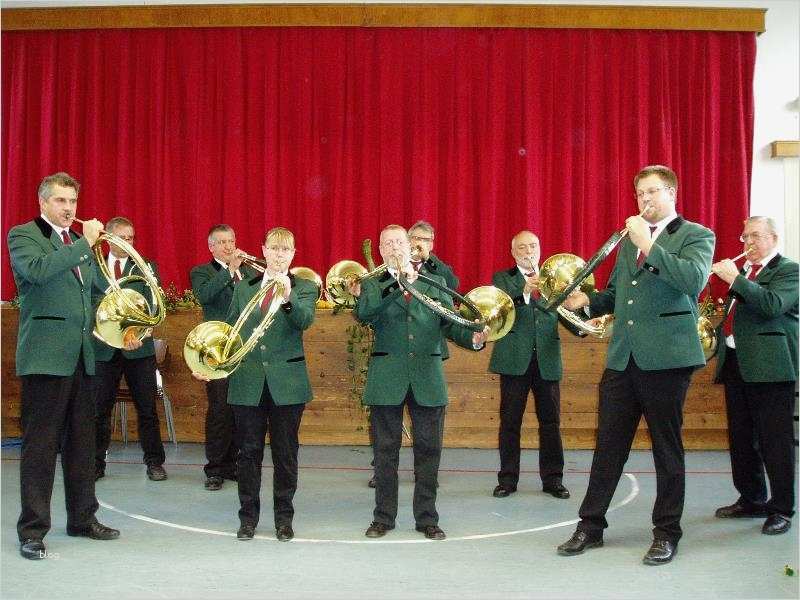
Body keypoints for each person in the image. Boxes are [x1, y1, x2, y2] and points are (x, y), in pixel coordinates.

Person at [556, 165, 715, 565]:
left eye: (652, 192)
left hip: (667, 359)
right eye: (640, 193)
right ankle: (590, 526)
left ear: (672, 193)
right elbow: (618, 293)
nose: (645, 199)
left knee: (666, 449)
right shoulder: (630, 242)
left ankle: (667, 533)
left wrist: (648, 244)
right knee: (608, 447)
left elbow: (694, 281)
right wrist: (586, 302)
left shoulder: (696, 235)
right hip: (623, 358)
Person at [8, 172, 122, 560]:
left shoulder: (77, 243)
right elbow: (37, 271)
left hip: (82, 357)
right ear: (43, 203)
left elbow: (94, 296)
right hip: (45, 357)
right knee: (40, 447)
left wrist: (124, 325)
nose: (69, 208)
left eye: (73, 201)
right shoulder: (24, 236)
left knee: (82, 445)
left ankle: (82, 519)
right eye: (61, 201)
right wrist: (85, 244)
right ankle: (32, 530)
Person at [352, 225, 488, 540]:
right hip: (387, 379)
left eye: (399, 242)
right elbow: (365, 313)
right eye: (387, 243)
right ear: (381, 251)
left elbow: (451, 324)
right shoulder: (372, 284)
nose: (394, 247)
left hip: (428, 377)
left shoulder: (434, 282)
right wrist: (397, 283)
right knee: (385, 452)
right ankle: (383, 518)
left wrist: (474, 338)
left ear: (410, 246)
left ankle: (427, 518)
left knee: (429, 450)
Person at [193, 227, 316, 542]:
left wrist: (287, 297)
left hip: (287, 385)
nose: (279, 255)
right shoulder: (244, 287)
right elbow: (230, 331)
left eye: (285, 250)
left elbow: (304, 320)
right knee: (248, 454)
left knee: (285, 454)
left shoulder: (304, 286)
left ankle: (284, 520)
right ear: (263, 250)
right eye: (274, 248)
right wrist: (210, 366)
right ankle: (247, 519)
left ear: (293, 254)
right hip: (247, 383)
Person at [710, 216, 798, 535]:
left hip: (772, 366)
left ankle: (782, 508)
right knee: (742, 438)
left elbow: (772, 305)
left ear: (774, 238)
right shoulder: (747, 271)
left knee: (776, 441)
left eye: (756, 236)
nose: (749, 243)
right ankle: (751, 499)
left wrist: (735, 279)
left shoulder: (788, 270)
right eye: (745, 237)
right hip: (737, 362)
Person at [489, 230, 569, 500]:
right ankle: (507, 479)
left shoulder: (555, 279)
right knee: (510, 422)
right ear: (513, 253)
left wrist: (585, 324)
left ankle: (553, 480)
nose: (528, 251)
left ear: (540, 248)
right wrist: (524, 292)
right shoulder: (502, 278)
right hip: (514, 361)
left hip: (547, 359)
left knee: (551, 422)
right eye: (522, 248)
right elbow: (499, 310)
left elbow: (566, 311)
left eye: (533, 246)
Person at [92, 217, 167, 482]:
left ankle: (154, 463)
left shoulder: (146, 266)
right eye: (122, 237)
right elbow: (90, 302)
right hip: (103, 349)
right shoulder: (93, 266)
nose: (128, 242)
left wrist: (136, 332)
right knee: (99, 410)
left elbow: (153, 304)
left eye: (131, 238)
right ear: (109, 238)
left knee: (147, 409)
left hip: (138, 350)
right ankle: (95, 463)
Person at [190, 224, 248, 490]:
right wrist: (229, 270)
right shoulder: (201, 271)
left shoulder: (247, 271)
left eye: (231, 241)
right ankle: (214, 468)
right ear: (211, 247)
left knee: (240, 409)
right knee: (219, 410)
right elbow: (204, 295)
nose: (228, 246)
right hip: (216, 350)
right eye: (222, 242)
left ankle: (232, 464)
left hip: (242, 349)